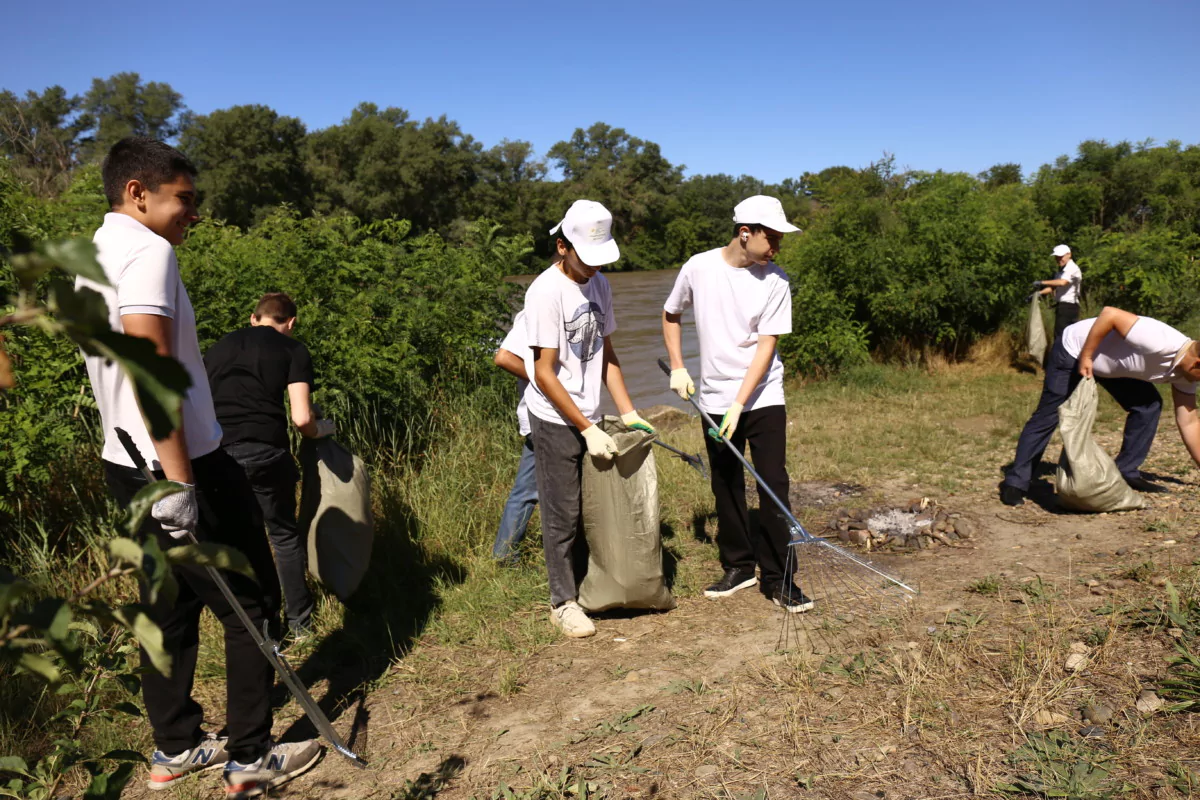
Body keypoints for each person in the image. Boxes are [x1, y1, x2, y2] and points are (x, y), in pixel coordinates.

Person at [76, 137, 320, 798]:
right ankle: (250, 755)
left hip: (123, 461)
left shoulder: (90, 256)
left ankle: (175, 746)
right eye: (183, 199)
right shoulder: (148, 253)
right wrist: (181, 484)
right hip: (185, 463)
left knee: (169, 607)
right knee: (255, 602)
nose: (193, 213)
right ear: (137, 193)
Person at [662, 195, 813, 614]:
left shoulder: (776, 281)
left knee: (771, 483)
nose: (777, 248)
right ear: (745, 233)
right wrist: (678, 366)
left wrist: (740, 403)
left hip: (763, 396)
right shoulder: (698, 267)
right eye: (773, 238)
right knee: (725, 481)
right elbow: (670, 313)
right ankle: (739, 566)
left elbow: (767, 347)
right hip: (712, 395)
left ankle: (780, 576)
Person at [522, 199, 656, 638]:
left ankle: (592, 582)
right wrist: (584, 426)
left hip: (592, 414)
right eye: (587, 259)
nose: (595, 268)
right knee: (562, 512)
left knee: (592, 507)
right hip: (558, 418)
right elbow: (543, 371)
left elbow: (608, 352)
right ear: (562, 246)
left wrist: (629, 411)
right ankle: (562, 601)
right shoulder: (545, 291)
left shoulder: (599, 285)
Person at [204, 292, 335, 642]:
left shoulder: (216, 350)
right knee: (283, 536)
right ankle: (301, 625)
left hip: (217, 455)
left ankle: (259, 631)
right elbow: (302, 418)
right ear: (290, 323)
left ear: (253, 318)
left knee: (240, 544)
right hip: (264, 454)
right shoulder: (293, 350)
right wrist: (324, 428)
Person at [1000, 306, 1200, 506]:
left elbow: (1189, 422)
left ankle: (1126, 471)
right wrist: (1087, 356)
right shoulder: (1160, 341)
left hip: (1110, 367)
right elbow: (1109, 314)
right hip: (1075, 351)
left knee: (1148, 405)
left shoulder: (1186, 375)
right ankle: (1016, 483)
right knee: (1050, 414)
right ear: (1197, 364)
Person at [491, 310, 538, 563]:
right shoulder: (536, 308)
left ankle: (504, 553)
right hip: (543, 418)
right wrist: (548, 381)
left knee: (529, 489)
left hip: (567, 416)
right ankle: (505, 554)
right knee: (528, 490)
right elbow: (504, 358)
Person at [1033, 244, 1083, 343]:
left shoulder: (1072, 268)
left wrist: (1042, 282)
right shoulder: (1062, 271)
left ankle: (1059, 357)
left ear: (1069, 255)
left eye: (1061, 257)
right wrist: (1038, 294)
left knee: (1062, 336)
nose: (1059, 259)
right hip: (1063, 307)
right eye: (1057, 257)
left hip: (1069, 307)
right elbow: (1053, 287)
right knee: (1062, 335)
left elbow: (1062, 282)